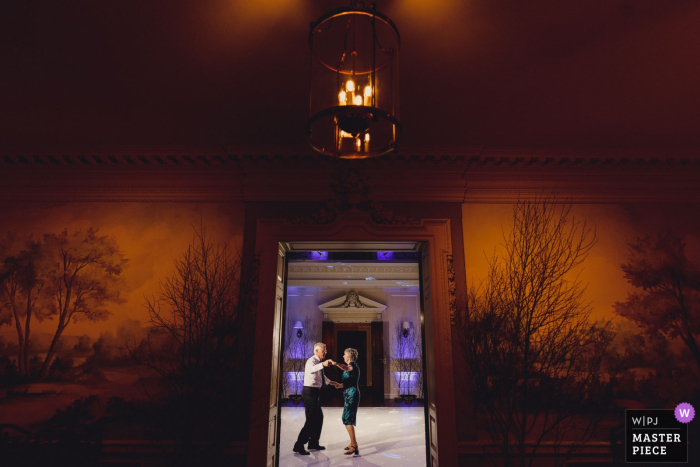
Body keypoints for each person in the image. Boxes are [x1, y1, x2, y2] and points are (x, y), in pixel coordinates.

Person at [293, 342, 335, 455]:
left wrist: (331, 382)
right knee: (311, 420)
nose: (325, 352)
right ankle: (299, 445)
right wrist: (323, 364)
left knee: (319, 417)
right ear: (316, 351)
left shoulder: (318, 362)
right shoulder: (311, 361)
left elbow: (321, 376)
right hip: (309, 392)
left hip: (315, 393)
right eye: (323, 350)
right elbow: (312, 369)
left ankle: (313, 442)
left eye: (325, 350)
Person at [330, 347, 361, 456]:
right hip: (348, 393)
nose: (343, 356)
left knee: (348, 418)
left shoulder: (353, 365)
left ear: (348, 357)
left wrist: (335, 363)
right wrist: (340, 385)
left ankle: (354, 444)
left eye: (344, 355)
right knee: (346, 417)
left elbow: (347, 369)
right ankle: (353, 443)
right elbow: (349, 381)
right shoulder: (351, 366)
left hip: (352, 394)